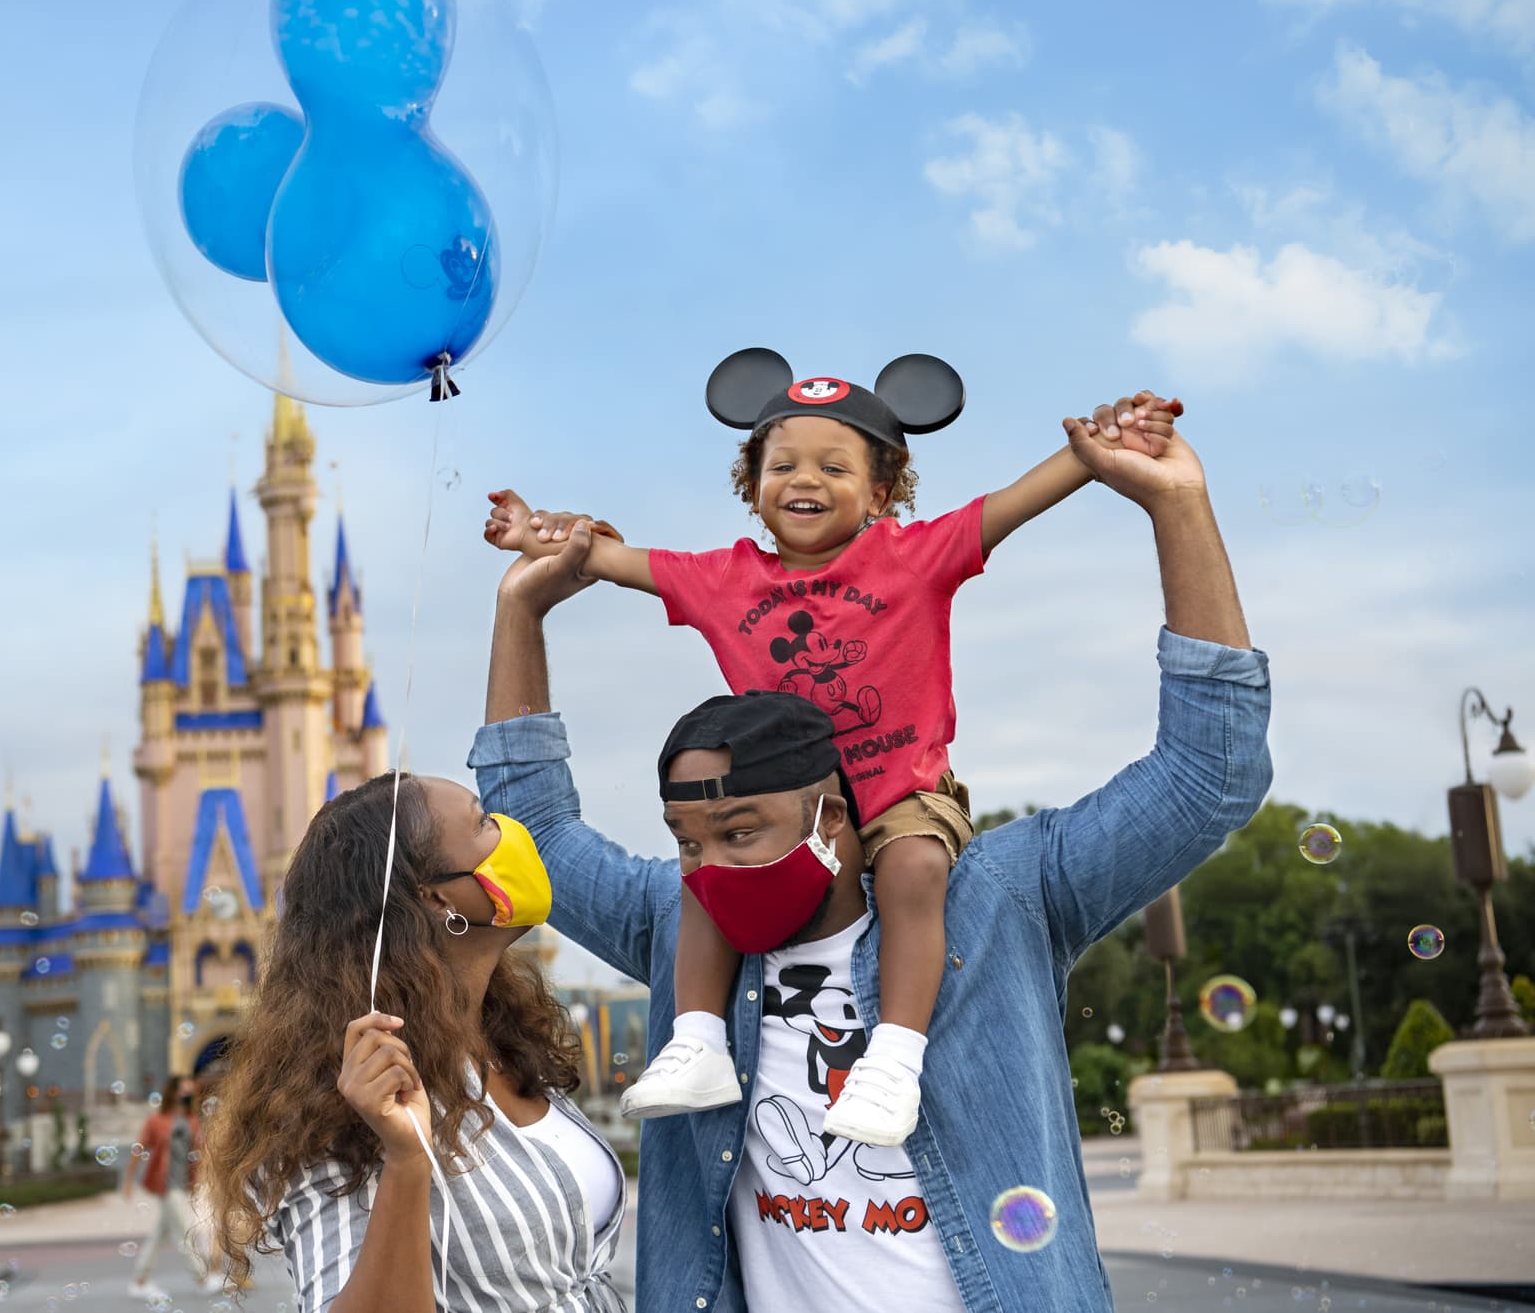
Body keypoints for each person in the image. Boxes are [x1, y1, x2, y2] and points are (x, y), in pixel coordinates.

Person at [472, 399, 1272, 1311]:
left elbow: (1208, 776)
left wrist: (1177, 506)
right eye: (692, 841)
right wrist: (520, 609)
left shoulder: (998, 902)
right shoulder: (678, 919)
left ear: (833, 812)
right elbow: (528, 826)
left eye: (742, 833)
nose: (714, 869)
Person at [485, 350, 1181, 1147]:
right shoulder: (723, 579)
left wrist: (1099, 449)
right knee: (708, 870)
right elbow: (600, 556)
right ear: (753, 486)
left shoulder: (915, 557)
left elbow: (1015, 502)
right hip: (788, 810)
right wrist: (534, 531)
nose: (803, 479)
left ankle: (892, 1059)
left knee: (915, 867)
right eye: (781, 464)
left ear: (880, 491)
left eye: (833, 465)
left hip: (899, 795)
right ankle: (699, 1041)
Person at [199, 772, 628, 1311]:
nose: (509, 831)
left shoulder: (500, 1039)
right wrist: (406, 1159)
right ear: (436, 896)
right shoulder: (347, 1096)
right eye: (483, 823)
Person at [122, 1074, 215, 1300]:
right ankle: (201, 1279)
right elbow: (138, 1149)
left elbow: (196, 1156)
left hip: (182, 1184)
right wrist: (128, 1181)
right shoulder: (157, 1121)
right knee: (184, 1231)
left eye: (190, 1090)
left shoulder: (192, 1120)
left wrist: (196, 1182)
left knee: (159, 1235)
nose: (188, 1094)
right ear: (172, 1092)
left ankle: (140, 1281)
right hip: (166, 1184)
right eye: (184, 1089)